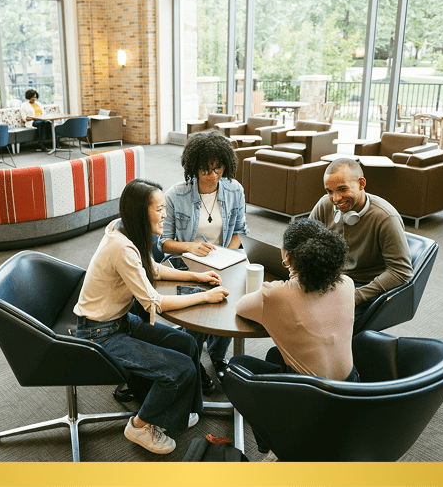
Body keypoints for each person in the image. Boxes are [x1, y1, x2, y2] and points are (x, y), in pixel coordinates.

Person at [74, 178, 229, 455]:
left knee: (187, 345)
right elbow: (154, 303)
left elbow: (153, 270)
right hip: (100, 332)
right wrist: (204, 295)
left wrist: (197, 276)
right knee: (179, 368)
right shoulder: (122, 247)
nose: (165, 214)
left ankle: (179, 413)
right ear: (140, 212)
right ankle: (139, 425)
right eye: (159, 209)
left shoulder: (127, 230)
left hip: (119, 321)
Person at [231, 218, 358, 459]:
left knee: (237, 366)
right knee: (274, 355)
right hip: (352, 388)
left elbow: (241, 308)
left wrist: (277, 287)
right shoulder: (347, 283)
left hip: (310, 400)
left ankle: (276, 446)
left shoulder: (276, 294)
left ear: (287, 257)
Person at [159, 129, 249, 392]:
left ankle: (219, 356)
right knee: (200, 309)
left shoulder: (234, 190)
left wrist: (227, 255)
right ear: (193, 167)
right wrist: (191, 246)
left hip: (225, 260)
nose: (212, 176)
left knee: (231, 304)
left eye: (218, 169)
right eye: (205, 170)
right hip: (189, 264)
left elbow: (241, 231)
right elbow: (162, 242)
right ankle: (192, 358)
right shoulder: (176, 195)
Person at [309, 158, 413, 317]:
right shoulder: (325, 205)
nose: (335, 199)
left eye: (342, 189)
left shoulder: (385, 217)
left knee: (320, 319)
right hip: (329, 280)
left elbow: (401, 271)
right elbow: (303, 238)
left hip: (362, 287)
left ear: (361, 183)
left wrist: (355, 297)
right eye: (329, 191)